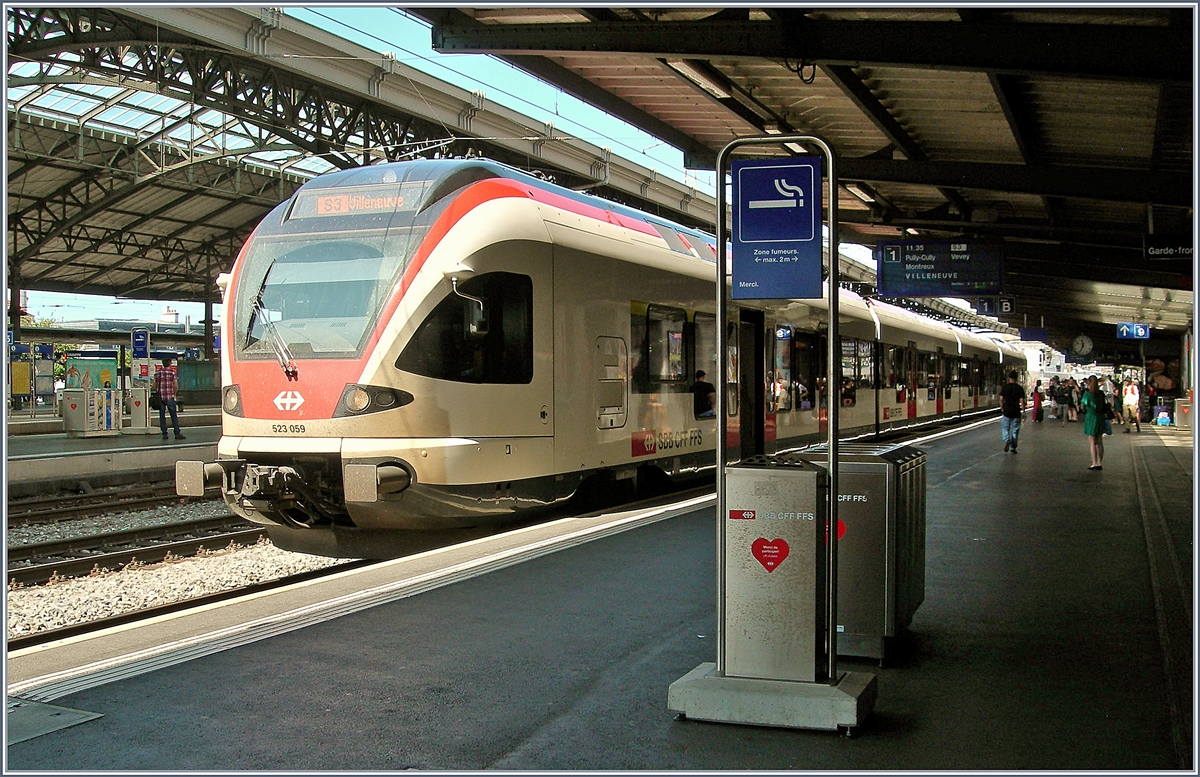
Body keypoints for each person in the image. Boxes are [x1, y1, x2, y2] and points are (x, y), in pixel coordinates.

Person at [154, 357, 186, 440]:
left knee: (162, 415)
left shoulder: (158, 373)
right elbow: (175, 385)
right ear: (169, 363)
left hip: (160, 397)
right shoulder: (172, 372)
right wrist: (174, 394)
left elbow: (154, 386)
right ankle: (177, 433)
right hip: (169, 396)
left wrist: (159, 390)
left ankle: (164, 433)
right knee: (173, 415)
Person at [1080, 375, 1106, 469]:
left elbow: (1082, 406)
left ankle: (1094, 463)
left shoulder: (1087, 394)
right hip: (1100, 418)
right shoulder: (1101, 394)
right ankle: (1100, 463)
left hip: (1091, 417)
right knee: (1099, 442)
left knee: (1092, 442)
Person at [999, 370, 1026, 453]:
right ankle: (1013, 448)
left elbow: (1001, 399)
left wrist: (1002, 408)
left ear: (1009, 378)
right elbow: (1022, 400)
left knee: (1005, 427)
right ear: (1016, 378)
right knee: (1015, 430)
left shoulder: (1005, 387)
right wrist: (1024, 411)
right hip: (1016, 412)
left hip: (1007, 411)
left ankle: (1007, 439)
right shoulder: (1019, 388)